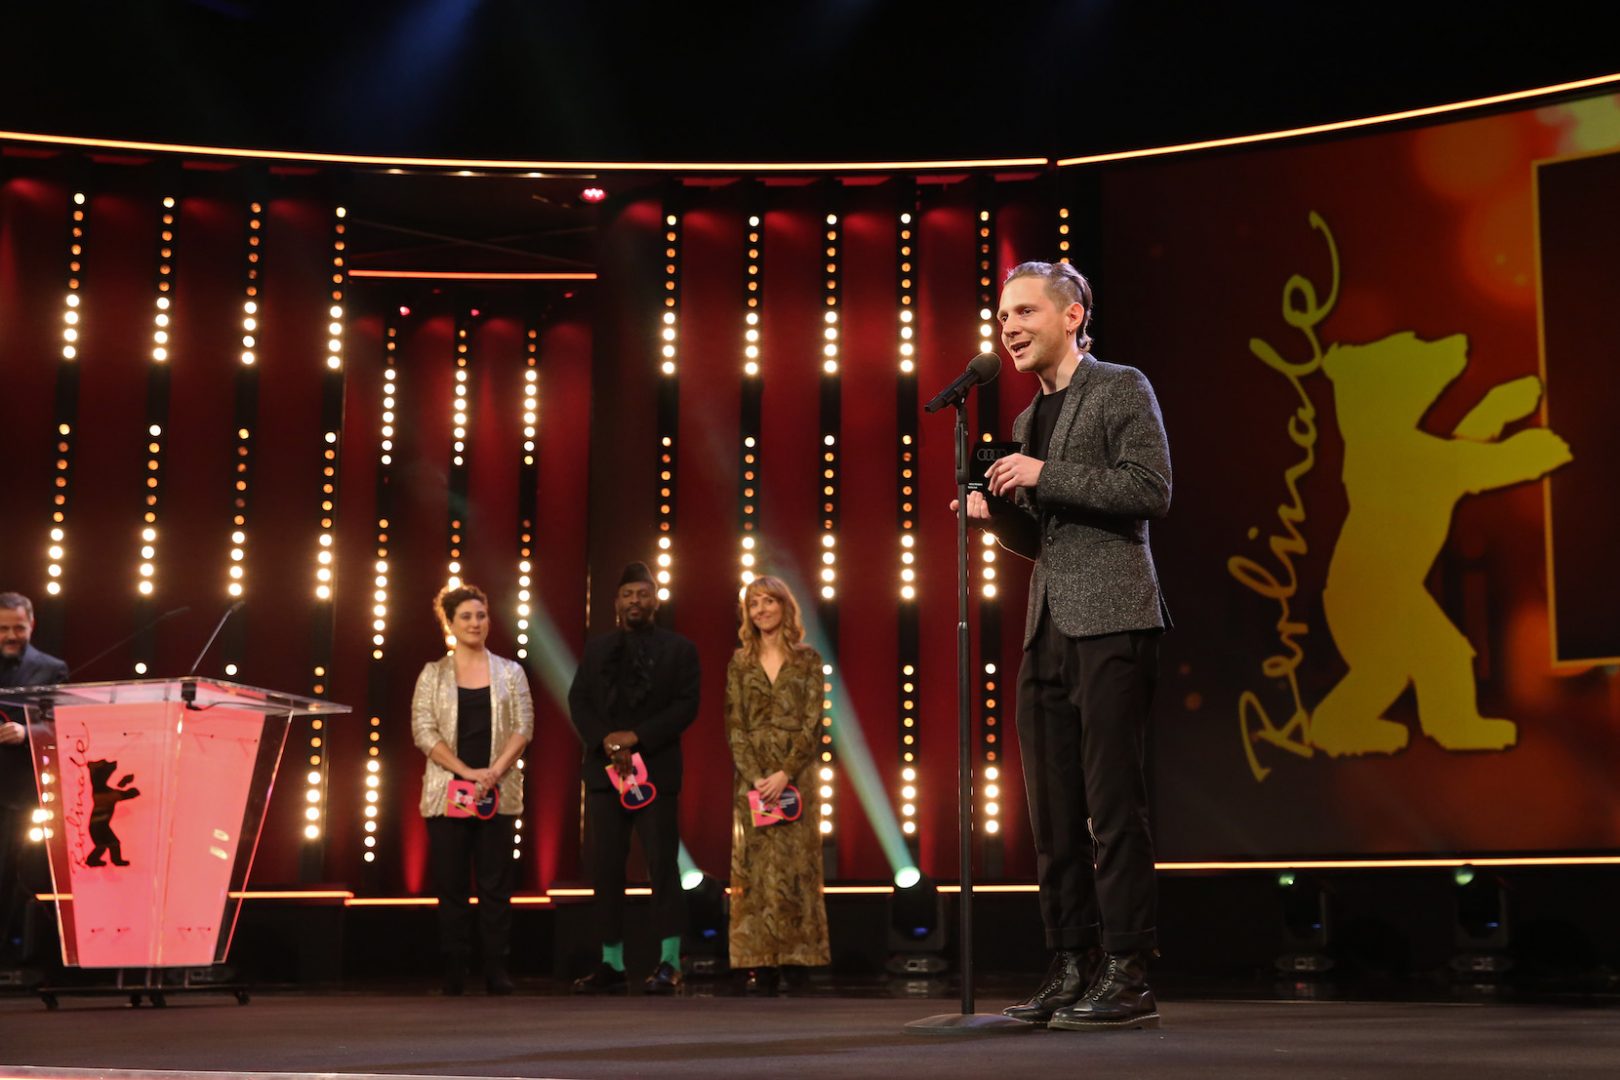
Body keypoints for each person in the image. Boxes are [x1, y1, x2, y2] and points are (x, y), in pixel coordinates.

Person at [958, 261, 1171, 1031]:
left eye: (1024, 312)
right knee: (1051, 814)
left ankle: (1128, 969)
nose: (1008, 328)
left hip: (1113, 619)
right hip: (1047, 624)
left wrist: (1045, 473)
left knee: (1111, 807)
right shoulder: (1024, 420)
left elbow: (1149, 489)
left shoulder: (1120, 387)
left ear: (1072, 315)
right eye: (1002, 317)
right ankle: (1071, 960)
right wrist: (998, 516)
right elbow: (1046, 538)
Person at [567, 561, 700, 995]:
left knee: (662, 864)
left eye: (643, 593)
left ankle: (670, 961)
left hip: (655, 772)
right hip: (605, 774)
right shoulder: (596, 649)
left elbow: (686, 706)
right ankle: (612, 963)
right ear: (616, 602)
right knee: (606, 867)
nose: (635, 601)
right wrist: (607, 740)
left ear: (656, 600)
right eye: (628, 595)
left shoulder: (679, 650)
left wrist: (636, 736)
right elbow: (579, 701)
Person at [411, 583, 534, 995]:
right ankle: (454, 968)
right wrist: (465, 771)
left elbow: (524, 727)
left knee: (496, 886)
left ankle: (497, 968)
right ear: (449, 623)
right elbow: (423, 731)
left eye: (481, 615)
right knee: (452, 886)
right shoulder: (433, 674)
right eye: (465, 616)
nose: (475, 623)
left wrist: (492, 773)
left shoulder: (510, 672)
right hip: (447, 793)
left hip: (497, 791)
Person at [724, 576, 830, 995]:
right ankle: (760, 962)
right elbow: (735, 725)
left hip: (796, 777)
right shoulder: (740, 662)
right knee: (755, 868)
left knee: (797, 868)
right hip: (752, 780)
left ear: (785, 607)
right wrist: (756, 777)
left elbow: (813, 721)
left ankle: (798, 960)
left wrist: (786, 772)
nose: (762, 610)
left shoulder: (808, 659)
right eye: (754, 604)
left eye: (769, 601)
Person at [0, 592, 69, 965]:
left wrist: (27, 733)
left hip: (19, 790)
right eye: (3, 629)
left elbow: (61, 725)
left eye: (18, 628)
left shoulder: (51, 668)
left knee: (12, 873)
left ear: (32, 625)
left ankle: (12, 956)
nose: (11, 635)